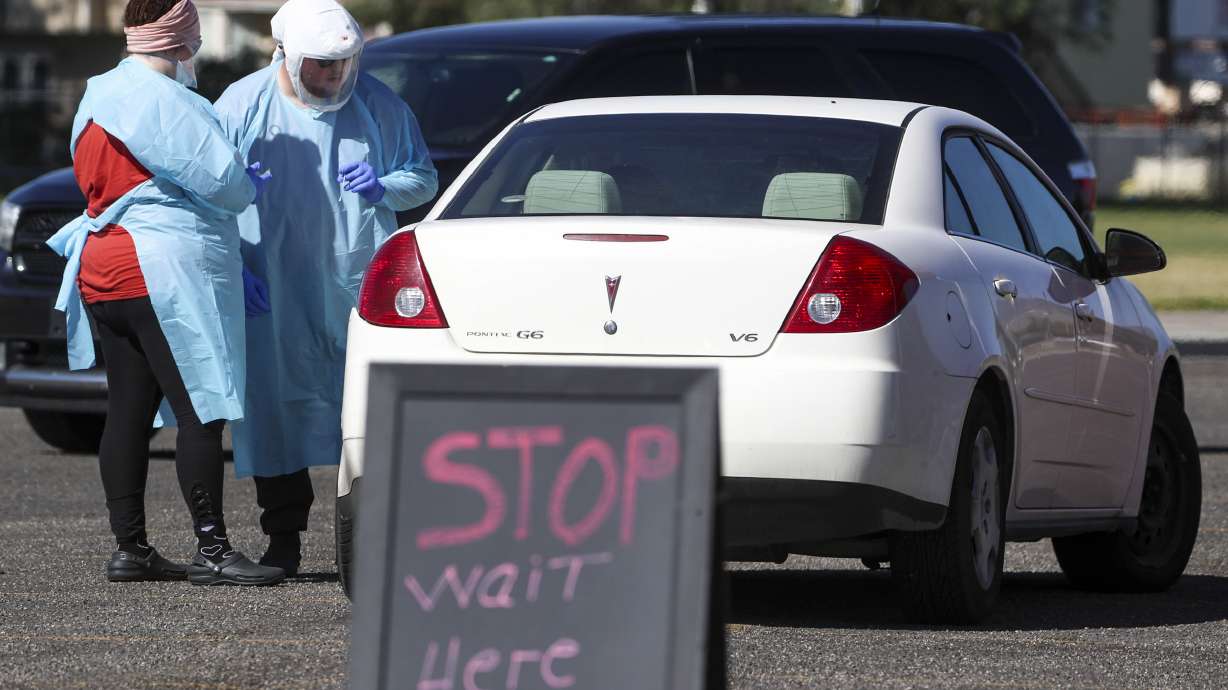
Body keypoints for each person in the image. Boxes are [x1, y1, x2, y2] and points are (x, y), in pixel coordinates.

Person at [46, 0, 284, 586]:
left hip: (103, 266)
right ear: (180, 43)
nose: (196, 54)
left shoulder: (95, 92)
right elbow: (225, 185)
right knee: (201, 408)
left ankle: (132, 548)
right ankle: (214, 551)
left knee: (127, 410)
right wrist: (245, 182)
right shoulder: (172, 102)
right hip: (162, 267)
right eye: (194, 43)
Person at [214, 0, 438, 576]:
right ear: (285, 56)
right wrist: (235, 269)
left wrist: (384, 186)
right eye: (320, 65)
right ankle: (282, 539)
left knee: (360, 411)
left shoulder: (380, 108)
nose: (334, 76)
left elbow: (423, 180)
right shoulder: (242, 106)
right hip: (271, 285)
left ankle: (375, 545)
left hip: (351, 284)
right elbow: (206, 196)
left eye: (344, 63)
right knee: (275, 410)